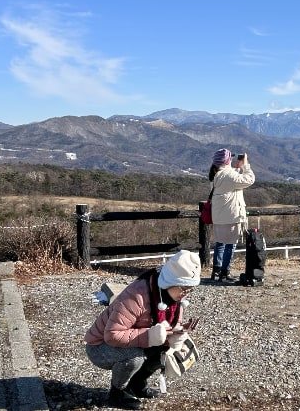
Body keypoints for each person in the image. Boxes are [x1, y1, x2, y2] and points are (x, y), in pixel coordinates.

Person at [84, 250, 201, 410]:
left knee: (164, 349)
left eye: (190, 290)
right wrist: (150, 336)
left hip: (130, 339)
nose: (185, 295)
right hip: (99, 346)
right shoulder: (137, 295)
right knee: (135, 357)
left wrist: (177, 332)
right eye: (184, 289)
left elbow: (165, 332)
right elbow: (112, 335)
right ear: (171, 281)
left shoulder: (174, 298)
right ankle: (117, 392)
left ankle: (137, 384)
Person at [208, 148, 255, 282]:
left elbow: (231, 181)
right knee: (231, 244)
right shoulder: (228, 175)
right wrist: (246, 165)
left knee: (220, 243)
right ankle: (225, 272)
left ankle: (216, 272)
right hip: (231, 216)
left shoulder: (216, 175)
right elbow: (249, 179)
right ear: (227, 160)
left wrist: (236, 169)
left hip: (219, 217)